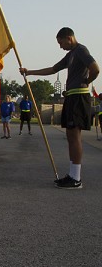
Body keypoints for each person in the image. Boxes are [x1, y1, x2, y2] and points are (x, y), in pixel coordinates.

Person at [20, 27, 99, 189]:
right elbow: (53, 69)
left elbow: (95, 68)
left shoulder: (81, 50)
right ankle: (72, 175)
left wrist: (87, 82)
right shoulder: (71, 55)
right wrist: (29, 72)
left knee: (75, 135)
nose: (60, 46)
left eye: (61, 42)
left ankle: (76, 178)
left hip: (78, 97)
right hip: (72, 96)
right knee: (71, 135)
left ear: (69, 38)